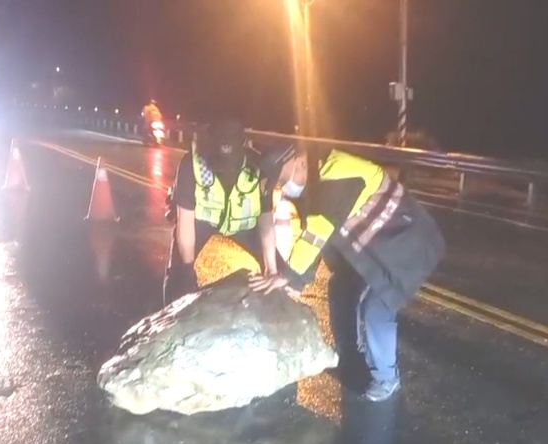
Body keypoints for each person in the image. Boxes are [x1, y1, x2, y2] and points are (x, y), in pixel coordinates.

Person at [250, 143, 445, 402]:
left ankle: (387, 378)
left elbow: (316, 232)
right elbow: (318, 238)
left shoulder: (336, 175)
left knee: (376, 307)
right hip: (374, 248)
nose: (283, 188)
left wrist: (287, 275)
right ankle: (353, 354)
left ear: (299, 163)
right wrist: (296, 281)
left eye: (283, 180)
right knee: (340, 289)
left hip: (405, 242)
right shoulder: (313, 181)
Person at [162, 119, 282, 306]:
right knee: (179, 277)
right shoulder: (191, 164)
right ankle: (170, 317)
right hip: (203, 222)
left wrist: (272, 269)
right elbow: (185, 222)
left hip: (244, 225)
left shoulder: (257, 167)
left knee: (277, 277)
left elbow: (266, 219)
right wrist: (187, 270)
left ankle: (279, 319)